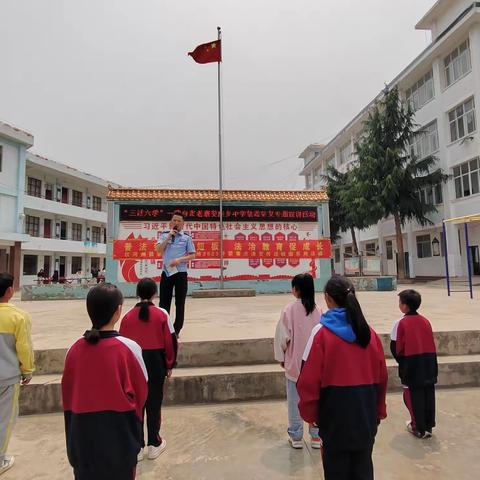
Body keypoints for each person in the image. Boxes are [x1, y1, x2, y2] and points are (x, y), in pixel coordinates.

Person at [297, 275, 387, 480]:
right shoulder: (369, 333)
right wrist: (378, 411)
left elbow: (307, 381)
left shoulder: (320, 333)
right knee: (363, 470)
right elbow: (382, 378)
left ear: (328, 298)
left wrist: (311, 415)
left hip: (334, 419)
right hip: (365, 417)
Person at [61, 283, 148, 480]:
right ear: (118, 311)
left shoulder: (73, 350)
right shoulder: (129, 349)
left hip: (82, 438)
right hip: (120, 437)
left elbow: (67, 393)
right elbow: (141, 392)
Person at [120, 278, 178, 461]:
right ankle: (154, 443)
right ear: (155, 293)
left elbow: (121, 344)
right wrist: (170, 364)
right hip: (155, 363)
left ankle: (137, 447)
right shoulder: (162, 314)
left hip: (134, 364)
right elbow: (171, 341)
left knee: (136, 405)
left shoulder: (127, 317)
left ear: (137, 293)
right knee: (154, 404)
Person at [274, 273, 322, 449]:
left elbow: (282, 338)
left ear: (296, 289)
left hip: (295, 364)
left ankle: (296, 436)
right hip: (315, 365)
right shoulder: (319, 310)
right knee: (315, 399)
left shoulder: (289, 310)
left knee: (294, 400)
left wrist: (282, 358)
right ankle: (316, 436)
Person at [0, 273, 35, 477]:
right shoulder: (18, 316)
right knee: (4, 419)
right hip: (7, 377)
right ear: (10, 291)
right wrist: (27, 370)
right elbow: (24, 347)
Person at [390, 289, 437, 439]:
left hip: (411, 363)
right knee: (428, 393)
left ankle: (418, 427)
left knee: (412, 395)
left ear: (404, 306)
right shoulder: (425, 321)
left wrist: (402, 363)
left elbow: (396, 347)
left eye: (400, 302)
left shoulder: (400, 323)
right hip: (429, 362)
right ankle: (428, 425)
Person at [155, 211, 196, 336]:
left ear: (183, 224)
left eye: (179, 220)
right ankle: (164, 328)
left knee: (180, 302)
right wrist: (168, 238)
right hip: (167, 273)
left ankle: (176, 329)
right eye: (174, 220)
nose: (176, 222)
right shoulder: (164, 236)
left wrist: (179, 260)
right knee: (164, 302)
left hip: (181, 274)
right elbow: (158, 250)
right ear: (170, 223)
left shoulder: (186, 238)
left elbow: (192, 255)